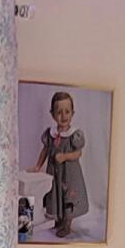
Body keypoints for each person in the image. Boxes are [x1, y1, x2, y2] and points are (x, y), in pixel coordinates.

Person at [32, 90, 90, 240]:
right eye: (59, 112)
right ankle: (58, 219)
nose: (63, 116)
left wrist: (65, 156)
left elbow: (78, 153)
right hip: (54, 173)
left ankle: (67, 224)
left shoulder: (74, 135)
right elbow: (45, 150)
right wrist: (38, 166)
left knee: (68, 197)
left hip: (69, 175)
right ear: (52, 114)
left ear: (72, 113)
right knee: (54, 194)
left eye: (67, 112)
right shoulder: (51, 134)